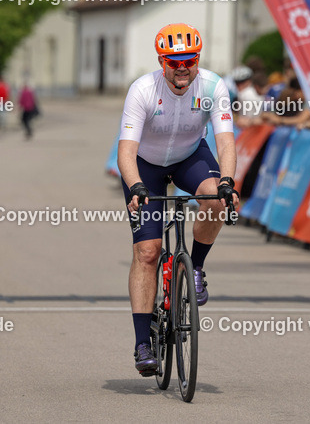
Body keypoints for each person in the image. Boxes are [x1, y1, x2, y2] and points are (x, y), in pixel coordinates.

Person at [118, 23, 238, 375]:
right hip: (145, 165)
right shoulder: (142, 89)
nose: (182, 67)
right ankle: (143, 343)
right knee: (148, 251)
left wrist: (228, 180)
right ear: (162, 61)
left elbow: (226, 142)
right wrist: (137, 186)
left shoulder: (214, 86)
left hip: (190, 157)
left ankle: (196, 267)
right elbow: (126, 151)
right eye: (174, 61)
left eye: (190, 60)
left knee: (215, 198)